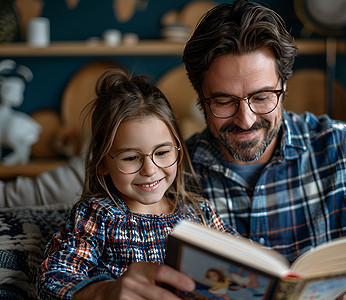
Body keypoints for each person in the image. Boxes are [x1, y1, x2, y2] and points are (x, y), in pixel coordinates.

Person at [181, 0, 346, 299]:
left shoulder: (341, 149)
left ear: (283, 86)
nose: (246, 120)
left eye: (262, 97)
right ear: (201, 96)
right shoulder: (171, 171)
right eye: (223, 101)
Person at [37, 69, 237, 299]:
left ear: (179, 151)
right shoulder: (99, 216)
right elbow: (53, 277)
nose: (150, 170)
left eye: (162, 152)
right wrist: (105, 292)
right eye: (131, 158)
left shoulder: (201, 214)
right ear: (103, 164)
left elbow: (245, 259)